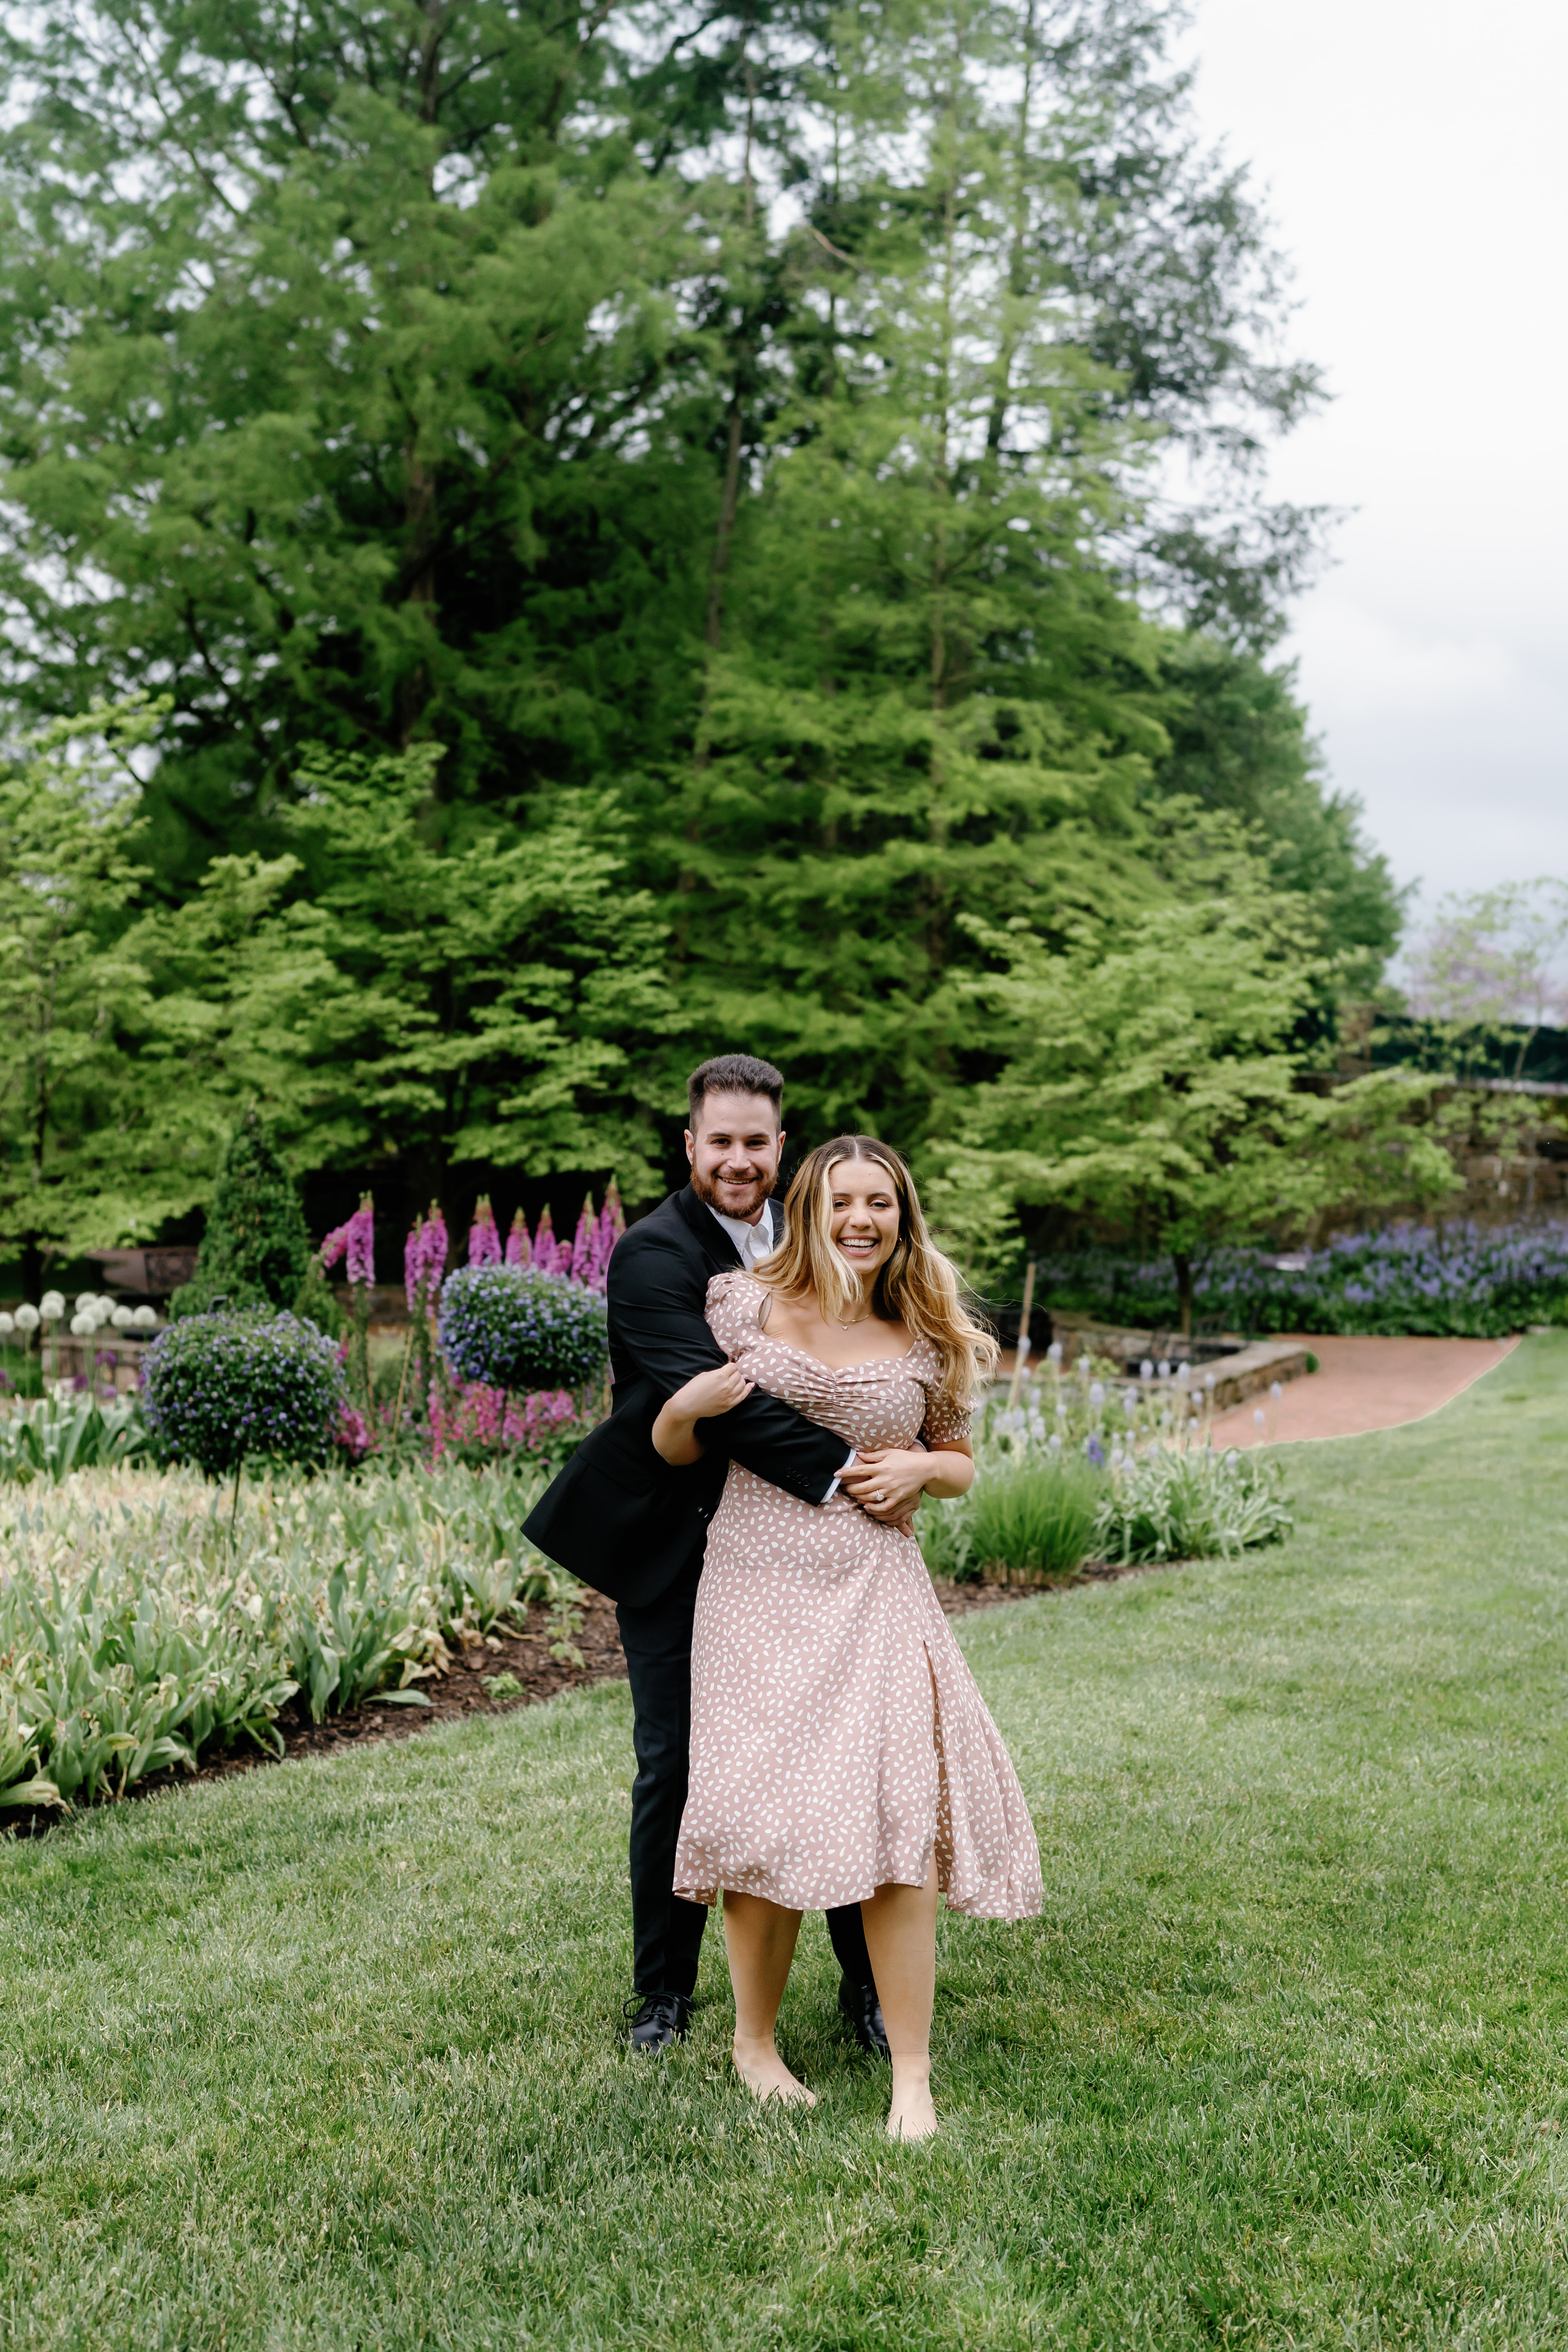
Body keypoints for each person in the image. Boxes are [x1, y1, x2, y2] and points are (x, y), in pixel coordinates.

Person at [523, 1057, 935, 2054]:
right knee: (673, 1761)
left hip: (800, 1556)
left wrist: (915, 1457)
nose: (740, 1161)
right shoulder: (651, 1256)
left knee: (840, 1752)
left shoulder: (824, 1236)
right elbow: (729, 1401)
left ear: (781, 1146)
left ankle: (869, 1991)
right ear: (689, 1145)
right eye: (721, 1143)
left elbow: (866, 1357)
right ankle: (663, 1994)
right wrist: (855, 1476)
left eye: (758, 1143)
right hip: (680, 1542)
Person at [650, 1135, 1043, 2140]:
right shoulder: (738, 1307)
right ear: (810, 1210)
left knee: (895, 1815)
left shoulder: (924, 1334)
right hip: (752, 1584)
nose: (861, 1220)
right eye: (841, 1202)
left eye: (880, 1203)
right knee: (758, 1811)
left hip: (871, 1586)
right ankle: (754, 2045)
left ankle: (912, 2075)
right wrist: (685, 1408)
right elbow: (676, 1448)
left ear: (901, 1217)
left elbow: (959, 1462)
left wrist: (918, 1473)